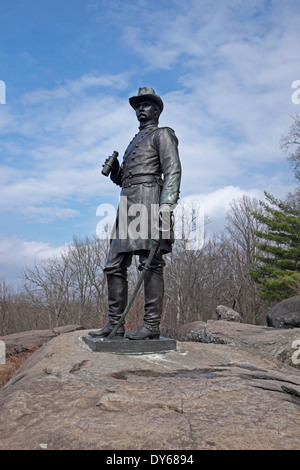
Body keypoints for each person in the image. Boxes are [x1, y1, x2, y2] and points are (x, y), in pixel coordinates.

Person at [89, 87, 181, 340]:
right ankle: (115, 324)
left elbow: (172, 171)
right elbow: (126, 180)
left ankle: (151, 325)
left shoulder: (163, 134)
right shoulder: (133, 142)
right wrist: (116, 171)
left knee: (149, 263)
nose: (141, 108)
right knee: (113, 265)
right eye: (138, 105)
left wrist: (166, 206)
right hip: (127, 202)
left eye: (146, 104)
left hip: (149, 199)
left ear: (157, 110)